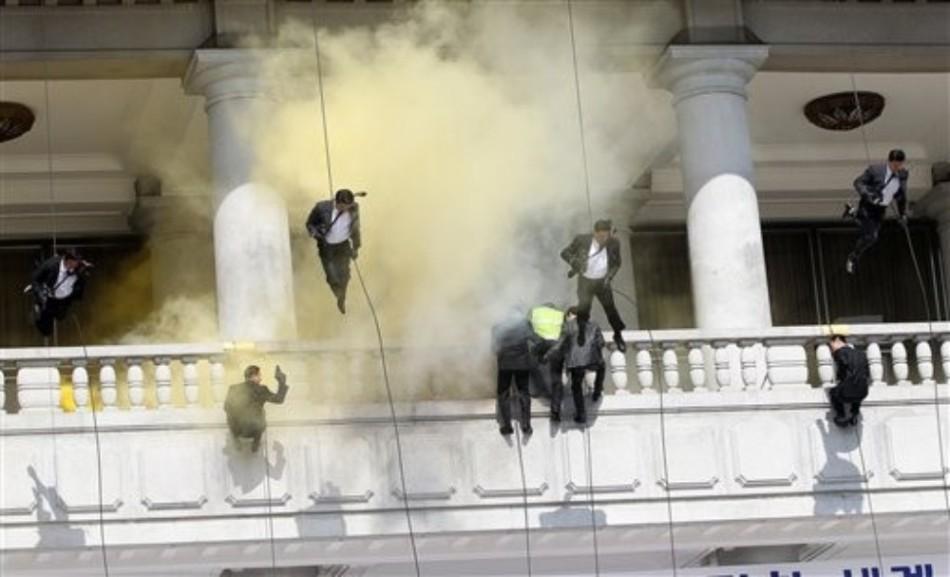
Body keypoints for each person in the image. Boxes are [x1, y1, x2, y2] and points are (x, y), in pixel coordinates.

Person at [560, 219, 627, 353]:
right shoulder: (582, 240)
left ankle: (618, 335)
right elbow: (564, 253)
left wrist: (609, 277)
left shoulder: (614, 243)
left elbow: (617, 263)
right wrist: (574, 261)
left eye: (606, 236)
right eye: (601, 236)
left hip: (602, 282)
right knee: (584, 308)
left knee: (610, 309)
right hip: (586, 281)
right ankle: (581, 332)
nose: (604, 239)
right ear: (595, 233)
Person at [843, 149, 908, 274]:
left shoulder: (903, 174)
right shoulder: (875, 170)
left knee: (869, 232)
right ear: (889, 162)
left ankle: (852, 212)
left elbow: (902, 195)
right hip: (869, 205)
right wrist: (869, 195)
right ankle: (853, 257)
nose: (897, 168)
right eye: (895, 165)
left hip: (881, 209)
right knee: (871, 236)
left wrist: (903, 214)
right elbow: (858, 182)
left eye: (900, 165)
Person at [548, 306, 606, 426]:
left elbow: (559, 344)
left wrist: (547, 354)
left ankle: (581, 414)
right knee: (602, 367)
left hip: (576, 362)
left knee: (576, 386)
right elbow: (601, 342)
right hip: (591, 359)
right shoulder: (594, 324)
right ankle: (597, 391)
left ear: (570, 314)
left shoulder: (568, 325)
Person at [306, 189, 361, 314]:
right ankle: (338, 293)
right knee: (331, 276)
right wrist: (315, 232)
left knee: (345, 274)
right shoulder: (321, 208)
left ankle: (342, 298)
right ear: (337, 202)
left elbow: (356, 228)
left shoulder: (354, 209)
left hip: (343, 246)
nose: (346, 209)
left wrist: (356, 247)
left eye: (349, 206)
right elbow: (310, 224)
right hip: (327, 247)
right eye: (344, 207)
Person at [492, 313, 541, 436]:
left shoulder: (498, 325)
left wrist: (501, 353)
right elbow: (537, 340)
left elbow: (493, 347)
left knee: (503, 393)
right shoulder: (524, 325)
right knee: (524, 393)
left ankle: (507, 426)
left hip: (505, 364)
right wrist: (533, 353)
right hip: (522, 364)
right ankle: (526, 425)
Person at [26, 250, 92, 339]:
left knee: (60, 316)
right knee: (46, 330)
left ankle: (50, 311)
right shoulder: (51, 264)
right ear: (68, 261)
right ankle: (38, 310)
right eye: (74, 263)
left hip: (65, 298)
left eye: (77, 263)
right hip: (50, 297)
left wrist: (85, 269)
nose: (76, 266)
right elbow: (35, 278)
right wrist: (39, 292)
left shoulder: (79, 266)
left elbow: (87, 271)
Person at [224, 365, 289, 452]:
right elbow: (279, 399)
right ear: (253, 376)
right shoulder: (261, 389)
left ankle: (236, 440)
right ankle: (256, 441)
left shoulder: (233, 388)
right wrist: (282, 382)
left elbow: (226, 407)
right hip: (254, 429)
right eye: (259, 376)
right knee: (260, 412)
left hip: (237, 429)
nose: (261, 379)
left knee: (231, 410)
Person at [530, 302, 566, 421]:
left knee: (531, 366)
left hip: (540, 344)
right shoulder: (560, 315)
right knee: (556, 380)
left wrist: (538, 343)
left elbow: (529, 330)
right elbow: (565, 333)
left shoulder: (535, 312)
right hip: (556, 347)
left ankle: (540, 390)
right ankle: (555, 410)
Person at [827, 335, 869, 427]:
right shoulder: (861, 353)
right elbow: (866, 373)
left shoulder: (840, 353)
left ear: (837, 340)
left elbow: (842, 369)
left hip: (847, 392)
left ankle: (841, 415)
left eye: (831, 345)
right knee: (858, 385)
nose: (831, 349)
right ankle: (854, 412)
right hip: (863, 392)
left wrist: (840, 377)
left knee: (833, 392)